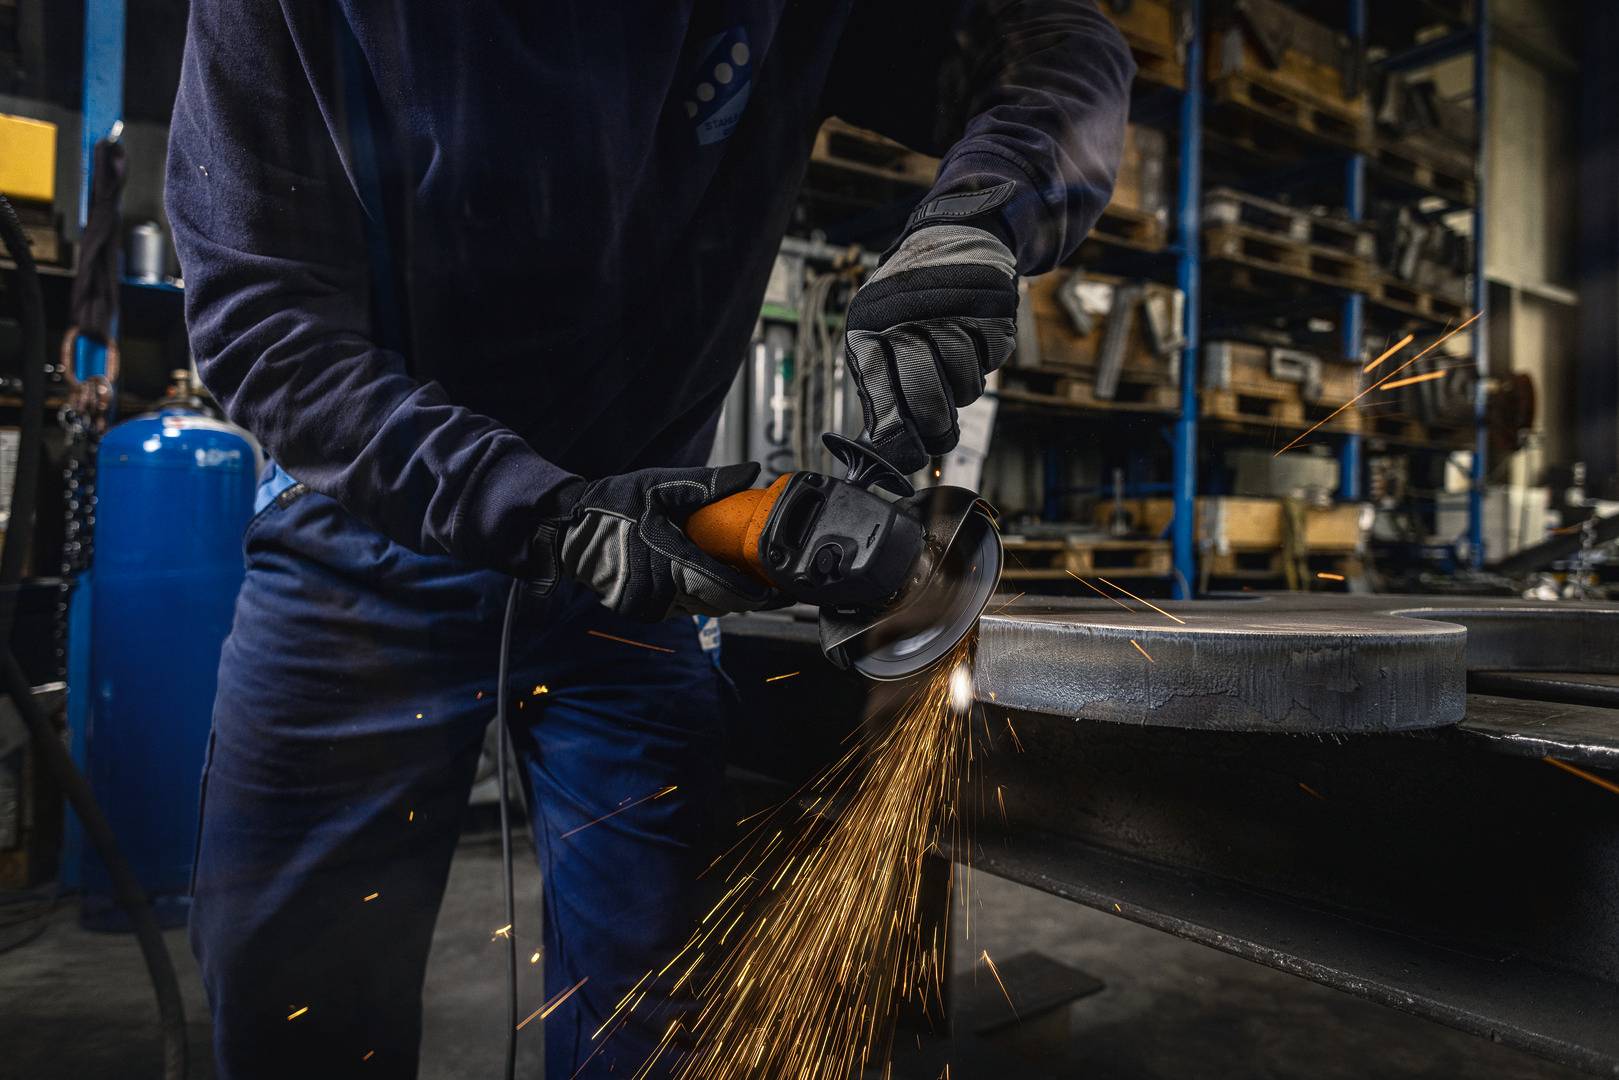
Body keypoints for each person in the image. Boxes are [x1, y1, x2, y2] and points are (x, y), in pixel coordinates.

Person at [165, 1, 1133, 1075]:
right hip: (368, 535)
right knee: (295, 1003)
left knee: (663, 1003)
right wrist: (543, 508)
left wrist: (981, 211)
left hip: (642, 574)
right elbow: (262, 319)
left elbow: (1056, 44)